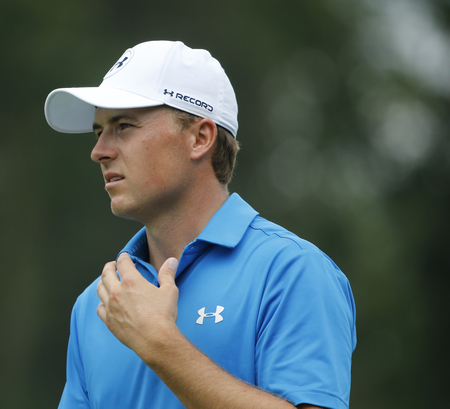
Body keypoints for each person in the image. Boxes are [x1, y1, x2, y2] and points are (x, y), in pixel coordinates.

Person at [44, 40, 356, 409]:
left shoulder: (292, 271)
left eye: (124, 126)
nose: (99, 151)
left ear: (200, 138)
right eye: (99, 132)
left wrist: (159, 343)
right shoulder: (99, 302)